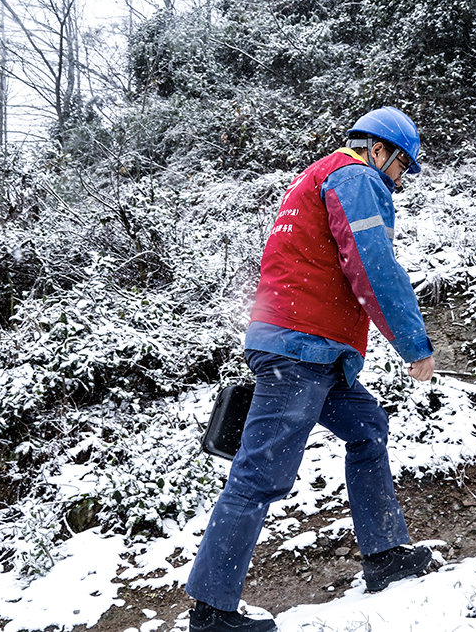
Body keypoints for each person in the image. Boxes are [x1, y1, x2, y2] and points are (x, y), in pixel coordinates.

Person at [186, 107, 436, 632]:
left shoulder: (315, 176)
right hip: (302, 350)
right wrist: (414, 344)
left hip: (309, 348)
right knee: (260, 474)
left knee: (367, 427)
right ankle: (211, 613)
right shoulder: (356, 176)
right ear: (380, 149)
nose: (400, 180)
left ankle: (385, 555)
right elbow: (372, 264)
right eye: (401, 167)